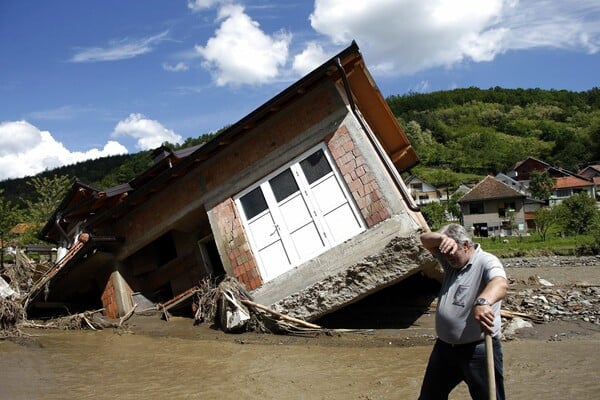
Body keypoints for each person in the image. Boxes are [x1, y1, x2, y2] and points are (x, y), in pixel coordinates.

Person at [418, 223, 508, 400]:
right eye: (444, 253)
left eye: (451, 252)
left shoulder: (487, 261)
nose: (447, 257)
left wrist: (483, 301)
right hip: (445, 349)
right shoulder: (450, 262)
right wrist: (442, 239)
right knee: (429, 397)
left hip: (478, 350)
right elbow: (424, 240)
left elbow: (500, 283)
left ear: (466, 246)